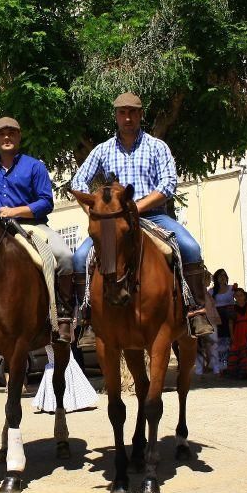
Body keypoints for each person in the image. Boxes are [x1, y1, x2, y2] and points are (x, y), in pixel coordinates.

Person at [71, 93, 213, 337]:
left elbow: (168, 184)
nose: (128, 117)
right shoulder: (103, 150)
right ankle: (87, 318)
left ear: (140, 115)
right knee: (80, 257)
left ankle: (195, 311)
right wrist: (95, 212)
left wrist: (136, 207)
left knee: (190, 248)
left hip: (153, 216)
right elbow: (78, 182)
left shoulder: (157, 147)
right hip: (114, 222)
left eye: (133, 112)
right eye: (123, 113)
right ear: (116, 116)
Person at [0, 117, 75, 342]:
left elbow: (46, 202)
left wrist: (14, 211)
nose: (7, 137)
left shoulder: (34, 166)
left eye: (12, 133)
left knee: (65, 257)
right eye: (1, 133)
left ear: (19, 136)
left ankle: (64, 317)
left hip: (32, 227)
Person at [209, 269, 235, 375]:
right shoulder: (211, 291)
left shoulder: (232, 288)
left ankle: (230, 365)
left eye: (224, 275)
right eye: (220, 276)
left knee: (229, 341)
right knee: (218, 342)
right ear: (216, 278)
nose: (222, 277)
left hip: (229, 318)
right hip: (217, 318)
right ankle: (219, 367)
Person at [228, 286, 247, 379]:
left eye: (241, 295)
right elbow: (230, 323)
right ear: (234, 297)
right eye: (237, 295)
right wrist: (232, 335)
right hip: (238, 330)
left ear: (244, 296)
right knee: (237, 350)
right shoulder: (232, 308)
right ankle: (239, 373)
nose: (239, 297)